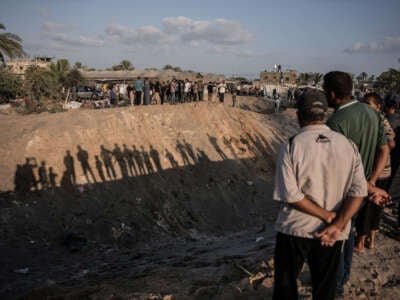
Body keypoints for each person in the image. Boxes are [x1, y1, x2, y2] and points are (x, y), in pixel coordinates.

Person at [273, 89, 367, 300]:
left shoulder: (291, 146)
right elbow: (359, 191)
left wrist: (327, 216)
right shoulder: (348, 145)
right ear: (325, 114)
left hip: (295, 228)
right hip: (332, 233)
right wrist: (337, 223)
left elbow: (291, 194)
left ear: (299, 114)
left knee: (285, 287)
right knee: (325, 288)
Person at [323, 71, 390, 296]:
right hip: (363, 190)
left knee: (340, 233)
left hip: (344, 191)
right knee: (349, 231)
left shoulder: (335, 122)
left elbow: (334, 166)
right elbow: (385, 149)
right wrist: (371, 181)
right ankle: (344, 276)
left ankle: (337, 283)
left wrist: (366, 185)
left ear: (332, 93)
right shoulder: (372, 113)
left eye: (325, 91)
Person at [354, 92, 395, 252]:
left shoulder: (378, 120)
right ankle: (370, 240)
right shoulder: (377, 119)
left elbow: (391, 143)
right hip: (383, 170)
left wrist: (377, 149)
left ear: (378, 107)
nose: (364, 107)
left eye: (368, 104)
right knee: (376, 208)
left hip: (376, 173)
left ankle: (361, 242)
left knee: (368, 209)